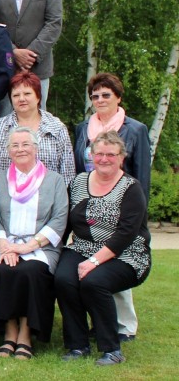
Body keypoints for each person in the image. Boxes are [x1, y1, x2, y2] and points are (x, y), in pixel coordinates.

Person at [55, 131, 151, 366]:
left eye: (111, 154)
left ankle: (111, 349)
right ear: (92, 156)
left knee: (93, 282)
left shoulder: (131, 188)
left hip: (127, 254)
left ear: (121, 157)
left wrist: (94, 261)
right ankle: (77, 346)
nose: (104, 159)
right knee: (63, 279)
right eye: (99, 154)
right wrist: (53, 249)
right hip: (82, 247)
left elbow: (126, 233)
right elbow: (67, 221)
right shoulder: (78, 182)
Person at [72, 72, 151, 343]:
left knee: (116, 260)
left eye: (106, 95)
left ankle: (124, 325)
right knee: (93, 267)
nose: (100, 100)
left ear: (118, 97)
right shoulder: (84, 128)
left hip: (124, 204)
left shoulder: (135, 129)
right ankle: (100, 321)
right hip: (93, 201)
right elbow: (79, 166)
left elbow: (142, 173)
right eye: (95, 96)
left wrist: (139, 213)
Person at [0, 127, 68, 360]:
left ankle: (26, 333)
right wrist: (5, 246)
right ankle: (9, 331)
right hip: (6, 243)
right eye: (15, 145)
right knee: (4, 269)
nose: (20, 149)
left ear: (35, 148)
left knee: (31, 271)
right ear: (8, 151)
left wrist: (27, 247)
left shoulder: (54, 180)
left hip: (41, 246)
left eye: (25, 144)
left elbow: (59, 217)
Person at [0, 70, 74, 179]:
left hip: (48, 194)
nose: (21, 99)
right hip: (8, 193)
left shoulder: (57, 128)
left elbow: (68, 173)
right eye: (16, 95)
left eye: (27, 93)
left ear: (38, 97)